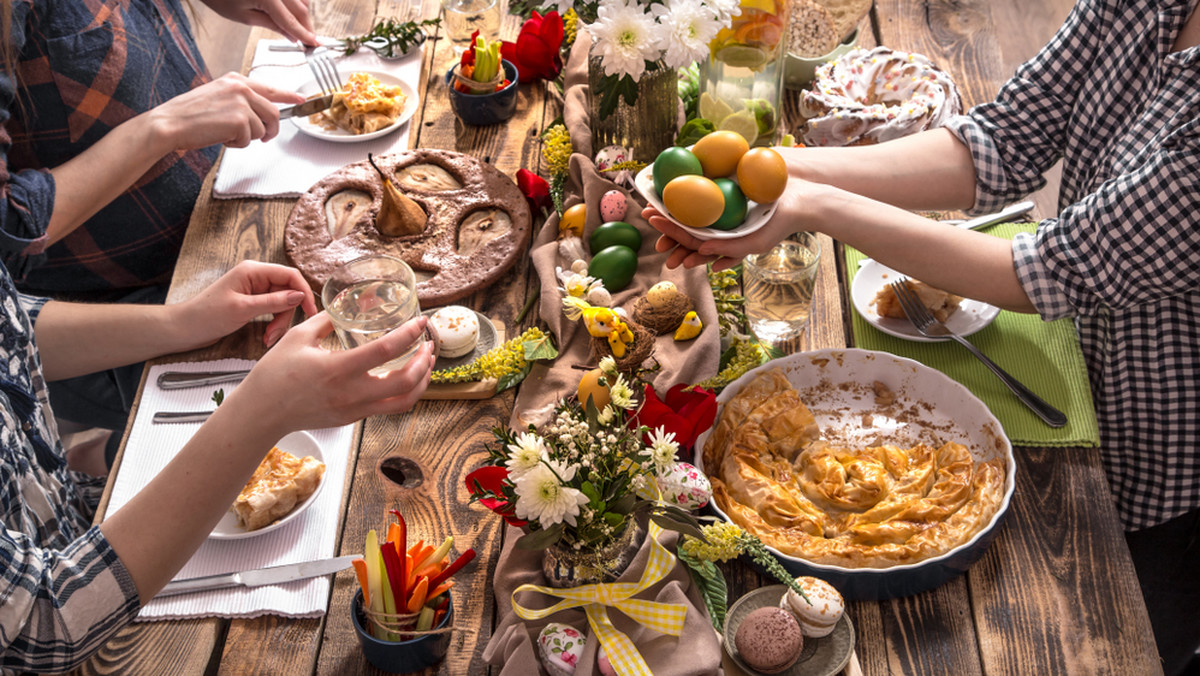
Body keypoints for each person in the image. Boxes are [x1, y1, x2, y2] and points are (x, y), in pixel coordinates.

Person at [645, 0, 1200, 672]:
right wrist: (777, 171)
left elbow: (1051, 269)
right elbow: (997, 143)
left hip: (1166, 438)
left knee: (1130, 633)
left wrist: (810, 204)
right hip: (1076, 347)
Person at [0, 257, 436, 671]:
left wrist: (183, 321)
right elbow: (43, 623)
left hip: (64, 502)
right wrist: (263, 410)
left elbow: (12, 325)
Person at [0, 0, 319, 461]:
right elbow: (9, 232)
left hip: (218, 223)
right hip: (122, 308)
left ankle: (97, 457)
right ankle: (100, 460)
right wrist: (160, 128)